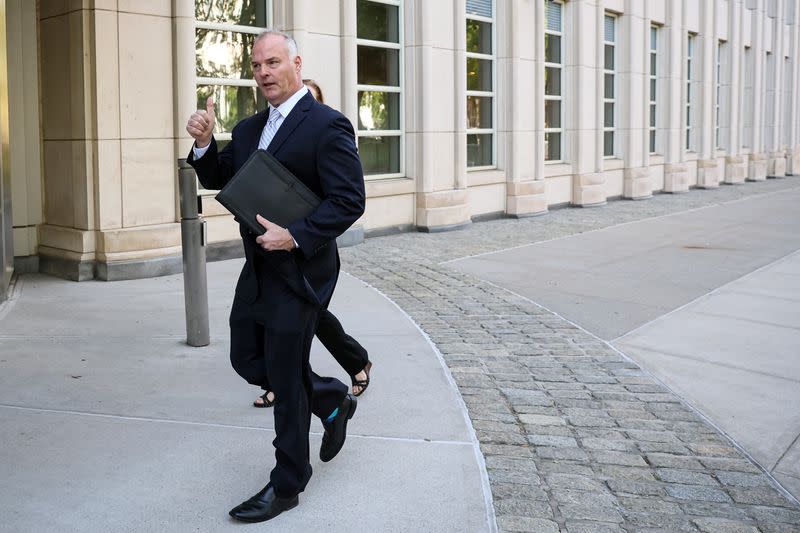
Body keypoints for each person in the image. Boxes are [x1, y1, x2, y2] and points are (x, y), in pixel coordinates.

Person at [185, 30, 365, 523]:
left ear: (296, 63)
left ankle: (288, 482)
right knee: (247, 357)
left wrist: (297, 235)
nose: (263, 72)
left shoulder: (327, 125)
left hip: (303, 270)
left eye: (272, 62)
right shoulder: (248, 128)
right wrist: (205, 145)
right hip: (260, 266)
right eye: (257, 65)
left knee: (285, 377)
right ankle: (329, 398)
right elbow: (223, 175)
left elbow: (349, 201)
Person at [253, 77, 372, 408]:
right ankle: (354, 362)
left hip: (313, 250)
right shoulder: (272, 135)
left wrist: (297, 234)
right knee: (299, 319)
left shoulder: (329, 132)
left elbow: (346, 199)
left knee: (304, 320)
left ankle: (294, 382)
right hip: (274, 249)